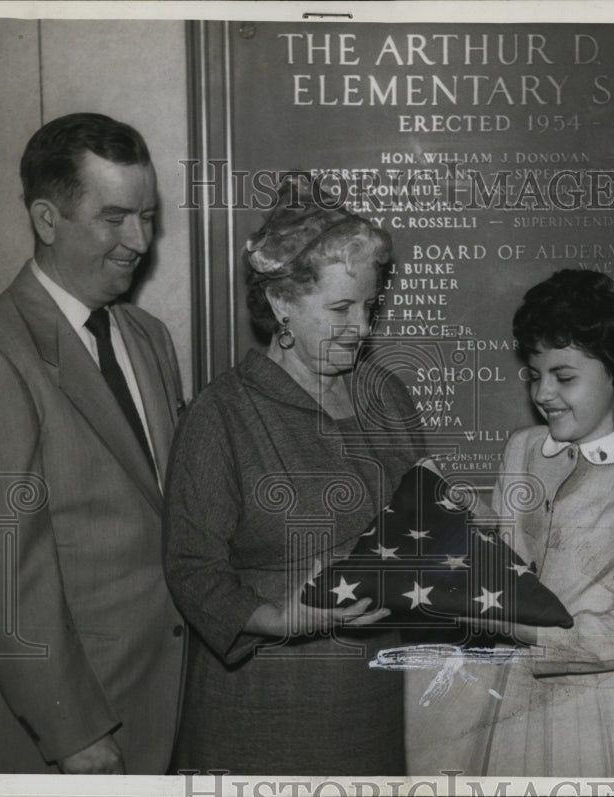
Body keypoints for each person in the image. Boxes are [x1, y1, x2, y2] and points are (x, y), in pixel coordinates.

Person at [0, 113, 186, 774]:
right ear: (47, 219)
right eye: (115, 217)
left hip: (154, 715)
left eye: (148, 215)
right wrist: (72, 735)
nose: (140, 240)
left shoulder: (148, 337)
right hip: (58, 744)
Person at [164, 175, 425, 775]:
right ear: (282, 301)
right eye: (340, 308)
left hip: (375, 700)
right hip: (264, 704)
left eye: (369, 306)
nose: (361, 328)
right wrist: (280, 618)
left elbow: (418, 523)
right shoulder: (222, 414)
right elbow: (191, 570)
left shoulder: (387, 396)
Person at [408, 269, 614, 777]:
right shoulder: (524, 448)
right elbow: (507, 561)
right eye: (535, 373)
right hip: (517, 706)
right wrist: (462, 525)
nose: (544, 393)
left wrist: (523, 629)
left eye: (564, 377)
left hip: (611, 718)